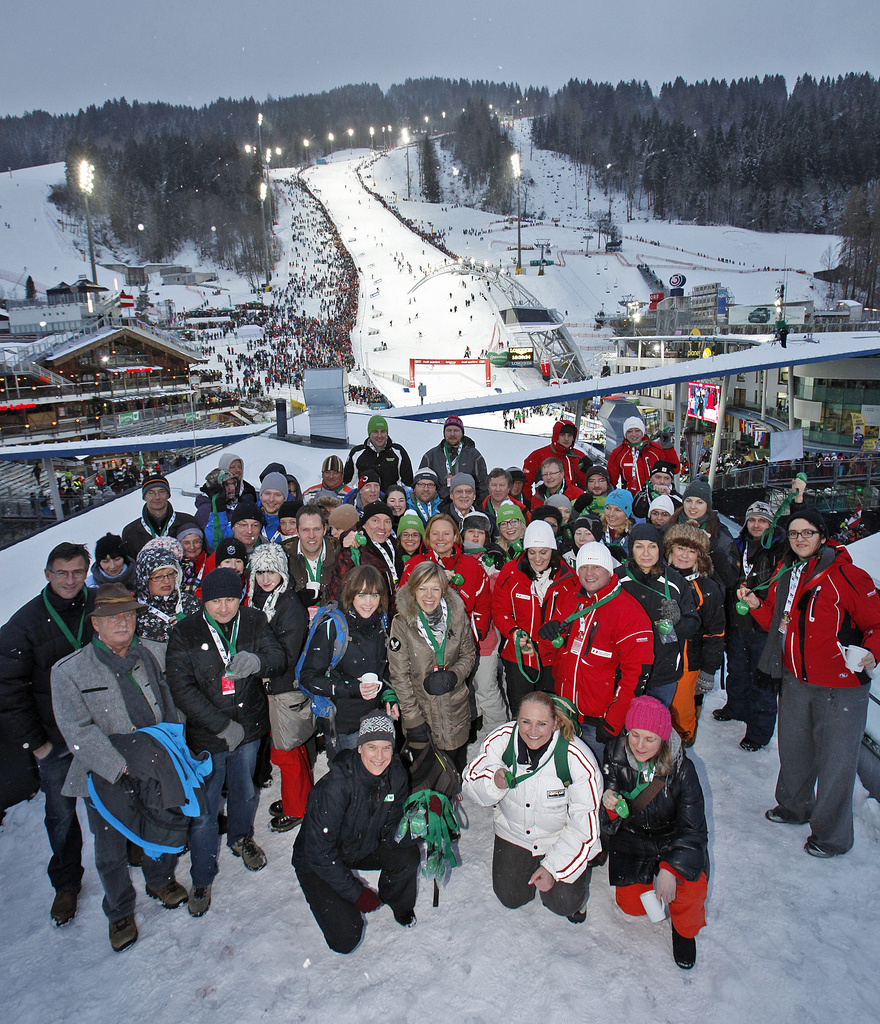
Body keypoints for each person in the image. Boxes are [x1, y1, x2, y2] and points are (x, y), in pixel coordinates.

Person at [50, 584, 187, 952]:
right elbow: (76, 730)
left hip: (157, 762)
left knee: (161, 824)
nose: (122, 622)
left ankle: (160, 881)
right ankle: (119, 910)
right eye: (112, 616)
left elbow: (167, 698)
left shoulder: (147, 654)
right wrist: (117, 765)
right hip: (107, 772)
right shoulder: (69, 671)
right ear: (95, 624)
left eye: (128, 614)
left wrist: (175, 743)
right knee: (110, 848)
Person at [738, 508, 880, 857]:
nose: (800, 539)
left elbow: (877, 623)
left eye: (807, 532)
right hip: (795, 679)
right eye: (794, 533)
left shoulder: (847, 574)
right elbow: (777, 619)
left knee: (836, 764)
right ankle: (793, 807)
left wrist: (873, 653)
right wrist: (756, 603)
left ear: (823, 535)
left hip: (841, 685)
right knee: (794, 750)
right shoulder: (789, 572)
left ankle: (832, 837)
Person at [165, 568, 286, 916]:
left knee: (245, 789)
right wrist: (220, 725)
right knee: (204, 808)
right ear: (205, 600)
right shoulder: (185, 632)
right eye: (216, 601)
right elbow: (182, 688)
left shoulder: (253, 620)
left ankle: (241, 837)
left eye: (230, 600)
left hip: (248, 729)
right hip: (208, 736)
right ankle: (202, 876)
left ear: (241, 597)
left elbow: (277, 658)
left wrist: (258, 661)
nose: (223, 608)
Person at [0, 542, 95, 926]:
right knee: (60, 813)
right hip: (55, 738)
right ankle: (67, 882)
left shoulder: (100, 605)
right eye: (62, 573)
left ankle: (127, 849)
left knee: (114, 794)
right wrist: (35, 743)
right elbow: (8, 688)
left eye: (77, 572)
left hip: (99, 727)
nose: (70, 580)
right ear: (47, 574)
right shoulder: (25, 623)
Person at [463, 692, 601, 921]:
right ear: (517, 719)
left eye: (542, 723)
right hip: (514, 832)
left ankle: (575, 891)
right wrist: (493, 781)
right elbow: (470, 780)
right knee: (510, 896)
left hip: (559, 836)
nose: (532, 731)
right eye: (526, 722)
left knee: (563, 901)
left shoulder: (576, 757)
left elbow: (584, 827)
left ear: (555, 722)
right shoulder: (502, 739)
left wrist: (553, 868)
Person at [292, 713, 420, 954]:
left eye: (386, 748)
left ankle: (397, 902)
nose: (379, 757)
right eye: (372, 747)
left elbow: (392, 827)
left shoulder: (397, 776)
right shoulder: (335, 787)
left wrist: (418, 828)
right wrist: (357, 892)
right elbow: (319, 853)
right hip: (318, 858)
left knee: (408, 855)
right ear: (359, 747)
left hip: (361, 843)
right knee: (346, 938)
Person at [600, 696, 709, 970]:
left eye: (649, 739)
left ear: (663, 738)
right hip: (634, 836)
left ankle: (684, 930)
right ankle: (651, 884)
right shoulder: (615, 753)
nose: (639, 745)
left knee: (689, 887)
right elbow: (608, 816)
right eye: (634, 735)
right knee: (631, 906)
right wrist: (611, 805)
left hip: (674, 838)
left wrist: (670, 869)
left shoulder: (683, 770)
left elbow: (694, 830)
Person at [541, 542, 654, 761]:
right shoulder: (569, 599)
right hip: (564, 713)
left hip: (597, 721)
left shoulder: (628, 611)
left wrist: (614, 721)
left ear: (609, 570)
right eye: (583, 567)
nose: (589, 574)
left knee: (595, 781)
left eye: (596, 567)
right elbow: (555, 654)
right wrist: (548, 636)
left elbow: (636, 674)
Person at [717, 495, 801, 750]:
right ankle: (736, 707)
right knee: (737, 671)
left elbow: (800, 535)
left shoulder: (782, 548)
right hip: (738, 621)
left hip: (764, 625)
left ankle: (759, 732)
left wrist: (797, 503)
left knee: (762, 680)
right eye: (752, 519)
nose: (756, 524)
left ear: (771, 524)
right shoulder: (737, 544)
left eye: (762, 520)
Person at [246, 544, 312, 832]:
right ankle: (298, 797)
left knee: (287, 751)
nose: (265, 577)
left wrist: (257, 665)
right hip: (266, 687)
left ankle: (297, 806)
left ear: (281, 572)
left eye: (270, 570)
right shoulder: (257, 600)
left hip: (282, 687)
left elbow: (286, 652)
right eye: (259, 571)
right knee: (286, 749)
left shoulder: (287, 605)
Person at [388, 560, 476, 772]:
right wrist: (413, 719)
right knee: (427, 780)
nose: (429, 596)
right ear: (413, 590)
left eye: (435, 589)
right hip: (422, 714)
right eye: (422, 588)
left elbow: (469, 654)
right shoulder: (402, 624)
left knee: (454, 774)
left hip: (455, 710)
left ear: (443, 591)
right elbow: (399, 676)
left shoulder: (458, 617)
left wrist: (454, 676)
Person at [299, 566, 394, 761]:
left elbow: (384, 667)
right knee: (347, 782)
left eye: (374, 596)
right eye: (362, 595)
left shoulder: (381, 620)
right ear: (350, 595)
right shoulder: (333, 626)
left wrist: (389, 695)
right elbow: (308, 678)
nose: (368, 603)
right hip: (343, 724)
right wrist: (352, 688)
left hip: (374, 716)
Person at [492, 520, 579, 714]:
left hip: (551, 658)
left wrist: (541, 647)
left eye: (543, 552)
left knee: (548, 711)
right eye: (532, 552)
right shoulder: (510, 573)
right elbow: (499, 610)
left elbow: (569, 620)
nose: (537, 558)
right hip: (518, 657)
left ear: (552, 550)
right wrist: (513, 632)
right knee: (521, 710)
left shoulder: (569, 579)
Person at [616, 523, 700, 709]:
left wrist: (677, 621)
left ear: (660, 549)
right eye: (639, 546)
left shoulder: (675, 581)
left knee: (654, 730)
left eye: (652, 546)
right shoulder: (617, 580)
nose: (646, 553)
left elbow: (693, 625)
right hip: (624, 672)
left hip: (663, 673)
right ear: (631, 549)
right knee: (622, 727)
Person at [663, 524, 725, 746]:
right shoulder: (657, 580)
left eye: (691, 551)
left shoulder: (708, 588)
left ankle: (681, 752)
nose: (684, 556)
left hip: (688, 664)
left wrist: (708, 670)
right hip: (656, 661)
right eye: (680, 548)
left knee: (681, 714)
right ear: (670, 550)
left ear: (700, 556)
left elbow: (715, 632)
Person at [327, 501, 399, 616]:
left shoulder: (392, 544)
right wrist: (346, 553)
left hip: (389, 619)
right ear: (364, 524)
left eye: (387, 521)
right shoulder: (355, 549)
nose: (382, 527)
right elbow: (335, 592)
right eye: (375, 520)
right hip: (366, 618)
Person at [670, 480, 738, 590]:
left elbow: (730, 578)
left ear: (707, 505)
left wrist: (712, 546)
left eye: (699, 502)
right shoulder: (669, 527)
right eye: (688, 501)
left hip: (707, 598)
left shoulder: (721, 534)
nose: (692, 506)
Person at [134, 542, 201, 645]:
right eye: (158, 577)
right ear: (145, 580)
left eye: (170, 574)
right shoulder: (136, 615)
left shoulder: (192, 604)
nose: (166, 581)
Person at [121, 474, 197, 558]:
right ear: (144, 497)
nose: (157, 497)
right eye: (151, 492)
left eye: (161, 491)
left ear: (168, 495)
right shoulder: (131, 532)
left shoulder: (187, 522)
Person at [419, 414, 488, 504]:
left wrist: (476, 506)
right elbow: (420, 484)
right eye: (448, 430)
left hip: (466, 506)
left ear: (462, 433)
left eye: (456, 430)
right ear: (444, 433)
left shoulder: (474, 456)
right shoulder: (430, 456)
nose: (452, 434)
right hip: (438, 507)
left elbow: (483, 485)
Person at [607, 416, 680, 495]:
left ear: (643, 432)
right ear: (625, 434)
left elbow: (675, 469)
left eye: (637, 430)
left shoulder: (656, 449)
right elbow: (611, 482)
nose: (634, 434)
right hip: (632, 499)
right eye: (630, 431)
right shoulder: (618, 454)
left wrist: (668, 449)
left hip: (656, 495)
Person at [284, 503, 338, 611]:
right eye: (305, 530)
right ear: (297, 531)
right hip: (296, 623)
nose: (311, 536)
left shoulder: (340, 553)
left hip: (333, 623)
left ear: (325, 529)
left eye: (316, 529)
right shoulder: (284, 556)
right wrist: (296, 600)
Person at [522, 420, 591, 501]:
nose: (566, 438)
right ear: (556, 436)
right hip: (545, 502)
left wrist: (586, 472)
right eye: (562, 435)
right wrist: (529, 504)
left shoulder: (578, 457)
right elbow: (525, 483)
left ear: (573, 438)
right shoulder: (538, 455)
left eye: (569, 435)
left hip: (571, 503)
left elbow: (585, 486)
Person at [343, 414, 414, 491]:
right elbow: (348, 484)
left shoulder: (398, 452)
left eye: (383, 431)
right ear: (369, 434)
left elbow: (408, 484)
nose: (379, 436)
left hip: (391, 501)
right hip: (366, 500)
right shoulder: (357, 453)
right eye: (375, 432)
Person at [601, 488, 634, 563]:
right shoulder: (597, 530)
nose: (611, 514)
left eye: (618, 510)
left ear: (627, 513)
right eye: (608, 508)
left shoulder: (634, 534)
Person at [258, 472, 290, 542]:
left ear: (284, 498)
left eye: (277, 495)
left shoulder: (291, 525)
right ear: (260, 495)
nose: (271, 499)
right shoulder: (251, 520)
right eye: (267, 493)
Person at [395, 510, 427, 577]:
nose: (410, 539)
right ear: (399, 537)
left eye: (415, 535)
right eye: (405, 534)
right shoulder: (392, 558)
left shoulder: (429, 559)